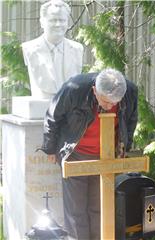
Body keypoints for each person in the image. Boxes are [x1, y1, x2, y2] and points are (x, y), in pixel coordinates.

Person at [39, 68, 136, 239]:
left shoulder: (130, 91)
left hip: (105, 157)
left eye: (113, 103)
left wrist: (124, 147)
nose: (108, 107)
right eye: (105, 102)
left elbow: (130, 121)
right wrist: (50, 147)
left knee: (99, 207)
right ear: (94, 91)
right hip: (75, 154)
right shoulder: (74, 88)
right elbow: (53, 116)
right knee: (76, 211)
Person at [22, 0, 83, 99]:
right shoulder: (30, 49)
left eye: (62, 20)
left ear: (67, 22)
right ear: (42, 22)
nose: (58, 24)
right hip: (42, 102)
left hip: (68, 105)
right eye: (53, 20)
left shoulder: (77, 49)